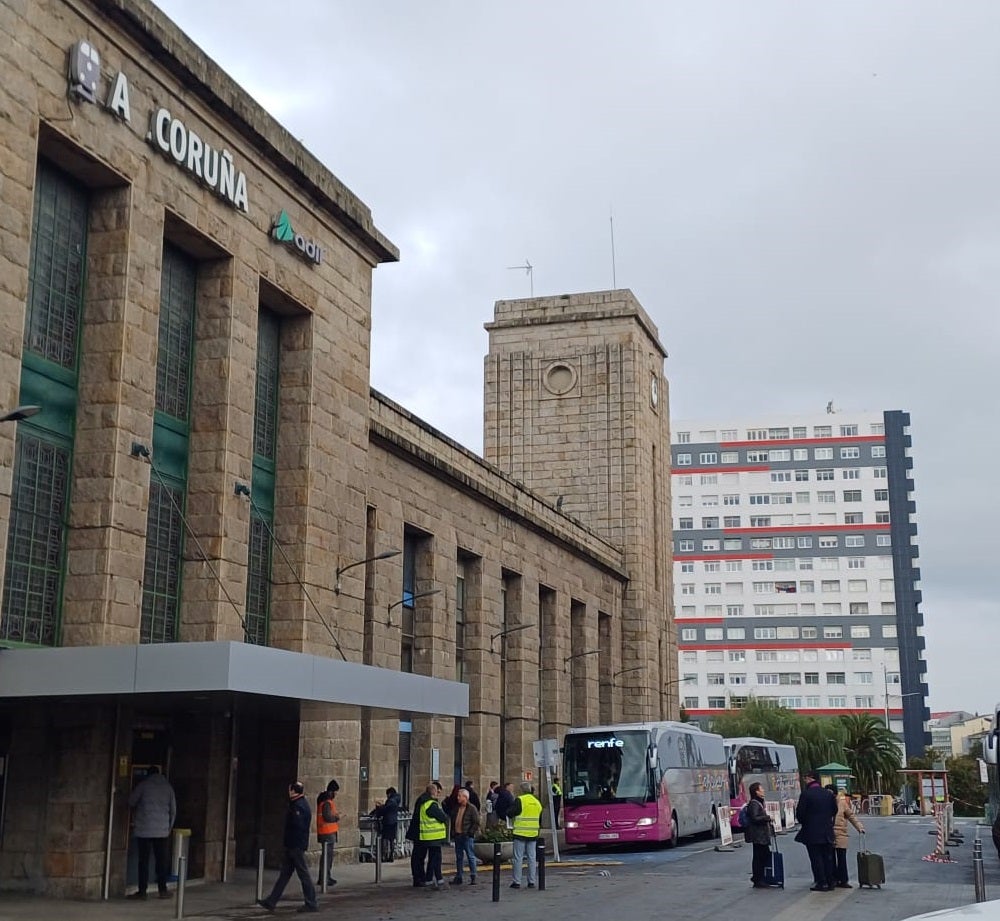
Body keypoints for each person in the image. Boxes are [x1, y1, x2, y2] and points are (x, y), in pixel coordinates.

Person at [257, 782, 318, 913]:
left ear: (292, 791)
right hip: (293, 845)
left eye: (289, 790)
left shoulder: (298, 806)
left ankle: (311, 902)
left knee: (303, 874)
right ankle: (271, 901)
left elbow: (298, 825)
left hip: (295, 845)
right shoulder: (299, 804)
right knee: (284, 875)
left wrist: (293, 843)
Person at [127, 766, 177, 901]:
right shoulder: (168, 788)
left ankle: (142, 892)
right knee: (161, 861)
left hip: (144, 830)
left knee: (143, 861)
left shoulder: (143, 785)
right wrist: (168, 828)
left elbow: (131, 801)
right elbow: (173, 811)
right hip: (162, 831)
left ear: (148, 774)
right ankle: (163, 890)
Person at [794, 770, 837, 892]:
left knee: (816, 858)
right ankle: (830, 881)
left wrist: (807, 822)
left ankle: (821, 882)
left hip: (812, 832)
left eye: (805, 779)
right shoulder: (828, 794)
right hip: (827, 831)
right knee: (827, 857)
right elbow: (834, 810)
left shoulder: (806, 794)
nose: (804, 781)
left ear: (810, 779)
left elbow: (800, 814)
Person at [508, 781, 542, 889]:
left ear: (522, 790)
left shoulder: (520, 800)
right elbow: (539, 818)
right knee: (532, 858)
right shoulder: (537, 802)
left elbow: (510, 812)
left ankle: (517, 882)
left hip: (520, 833)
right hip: (533, 833)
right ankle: (531, 881)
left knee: (518, 858)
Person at [831, 786, 864, 888]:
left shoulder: (842, 804)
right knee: (830, 859)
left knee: (841, 858)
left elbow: (851, 816)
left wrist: (859, 827)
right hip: (828, 834)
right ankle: (833, 879)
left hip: (841, 834)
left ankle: (843, 880)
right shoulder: (823, 804)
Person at [418, 783, 449, 889]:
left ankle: (430, 879)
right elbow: (443, 817)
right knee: (436, 859)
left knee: (432, 858)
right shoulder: (431, 804)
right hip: (433, 836)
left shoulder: (424, 803)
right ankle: (438, 880)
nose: (438, 794)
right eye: (437, 791)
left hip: (427, 836)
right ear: (433, 792)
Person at [743, 782, 774, 889]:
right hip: (758, 835)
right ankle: (757, 878)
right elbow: (755, 818)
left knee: (760, 855)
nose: (763, 790)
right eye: (761, 789)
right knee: (761, 856)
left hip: (760, 835)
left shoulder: (757, 802)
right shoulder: (754, 804)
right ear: (756, 791)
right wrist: (767, 818)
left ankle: (757, 877)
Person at [449, 787, 481, 885]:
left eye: (460, 796)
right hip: (458, 835)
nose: (458, 798)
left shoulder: (472, 808)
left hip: (466, 836)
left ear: (465, 797)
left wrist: (470, 832)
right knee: (459, 857)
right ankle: (459, 876)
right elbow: (452, 817)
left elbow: (476, 822)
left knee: (470, 856)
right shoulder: (456, 808)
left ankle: (473, 876)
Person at [406, 784, 433, 887]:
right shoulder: (426, 801)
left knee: (418, 856)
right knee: (419, 857)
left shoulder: (422, 799)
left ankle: (419, 877)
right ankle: (418, 877)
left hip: (419, 832)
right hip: (421, 833)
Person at [315, 779, 339, 888]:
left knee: (327, 857)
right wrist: (336, 817)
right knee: (327, 857)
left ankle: (326, 877)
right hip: (327, 832)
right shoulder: (327, 803)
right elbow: (328, 817)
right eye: (335, 792)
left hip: (326, 832)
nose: (336, 794)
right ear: (331, 791)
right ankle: (324, 878)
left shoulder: (324, 801)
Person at [372, 787, 401, 862]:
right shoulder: (396, 800)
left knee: (385, 838)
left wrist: (379, 807)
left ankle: (384, 856)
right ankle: (391, 855)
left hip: (388, 822)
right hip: (393, 821)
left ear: (389, 794)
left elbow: (385, 810)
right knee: (391, 839)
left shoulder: (391, 800)